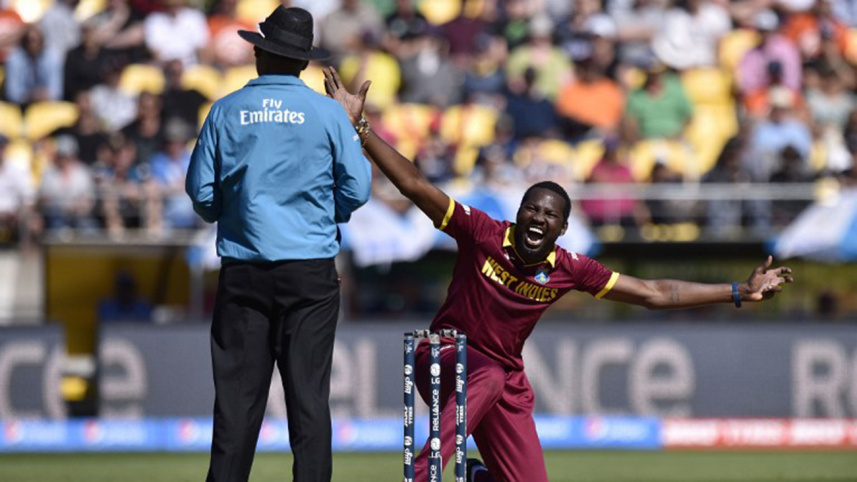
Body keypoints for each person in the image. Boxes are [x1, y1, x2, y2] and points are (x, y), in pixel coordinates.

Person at [324, 67, 794, 482]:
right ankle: (427, 470)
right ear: (519, 212)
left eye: (549, 216)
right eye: (531, 209)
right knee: (483, 371)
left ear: (562, 228)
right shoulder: (483, 233)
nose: (537, 219)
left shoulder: (570, 269)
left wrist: (738, 290)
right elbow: (415, 185)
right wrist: (361, 127)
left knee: (502, 398)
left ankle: (481, 476)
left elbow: (654, 292)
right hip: (445, 356)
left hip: (503, 382)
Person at [185, 7, 371, 482]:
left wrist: (233, 212)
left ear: (258, 52)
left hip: (244, 271)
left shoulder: (226, 110)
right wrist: (324, 215)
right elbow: (357, 190)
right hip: (309, 270)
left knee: (235, 408)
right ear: (304, 63)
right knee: (309, 402)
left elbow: (201, 194)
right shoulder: (329, 114)